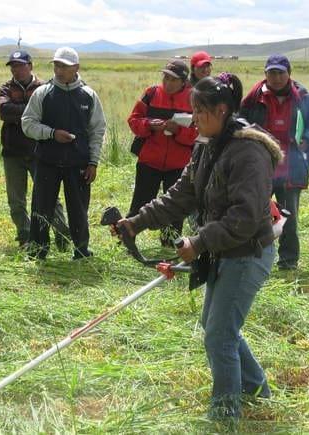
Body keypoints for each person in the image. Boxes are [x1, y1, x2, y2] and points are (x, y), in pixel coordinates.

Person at [114, 73, 283, 421]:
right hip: (225, 250)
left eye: (199, 112)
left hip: (248, 253)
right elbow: (182, 194)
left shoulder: (248, 151)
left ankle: (224, 418)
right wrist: (137, 221)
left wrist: (200, 241)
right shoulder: (208, 144)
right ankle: (256, 390)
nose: (193, 119)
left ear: (222, 110)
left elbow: (245, 218)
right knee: (217, 326)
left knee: (219, 335)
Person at [239, 54, 309, 270]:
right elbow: (239, 123)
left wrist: (308, 140)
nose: (276, 78)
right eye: (271, 73)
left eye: (280, 73)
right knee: (255, 215)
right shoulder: (253, 97)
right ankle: (252, 259)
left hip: (291, 169)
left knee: (289, 220)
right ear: (265, 74)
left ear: (289, 73)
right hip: (260, 169)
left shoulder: (304, 97)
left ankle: (288, 263)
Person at [22, 47, 106, 260]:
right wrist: (51, 134)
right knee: (41, 208)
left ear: (76, 68)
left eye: (65, 66)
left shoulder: (89, 95)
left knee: (79, 210)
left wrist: (93, 162)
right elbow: (27, 124)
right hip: (47, 161)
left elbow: (97, 130)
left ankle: (81, 250)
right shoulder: (43, 93)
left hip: (78, 163)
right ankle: (38, 250)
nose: (59, 70)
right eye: (57, 65)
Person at [0, 50, 70, 248]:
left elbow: (47, 113)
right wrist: (32, 111)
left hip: (40, 152)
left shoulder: (45, 87)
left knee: (49, 196)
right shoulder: (5, 88)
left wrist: (21, 111)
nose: (17, 69)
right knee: (16, 200)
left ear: (30, 66)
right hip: (12, 152)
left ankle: (62, 235)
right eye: (13, 66)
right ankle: (25, 236)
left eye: (21, 65)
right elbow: (4, 111)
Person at [127, 59, 197, 246]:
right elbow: (133, 120)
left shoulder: (194, 99)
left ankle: (171, 245)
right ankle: (128, 239)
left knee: (175, 207)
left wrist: (178, 131)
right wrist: (149, 125)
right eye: (165, 77)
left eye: (173, 79)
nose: (167, 82)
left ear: (184, 81)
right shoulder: (151, 94)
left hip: (178, 165)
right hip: (149, 161)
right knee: (140, 203)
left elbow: (199, 133)